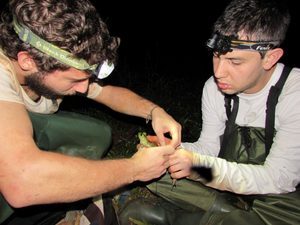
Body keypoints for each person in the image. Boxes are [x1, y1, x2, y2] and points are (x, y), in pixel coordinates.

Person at [118, 0, 300, 224]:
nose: (219, 72)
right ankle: (230, 211)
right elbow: (210, 148)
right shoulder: (214, 88)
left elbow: (280, 178)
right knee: (153, 169)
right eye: (216, 56)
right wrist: (172, 150)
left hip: (282, 200)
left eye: (235, 61)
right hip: (229, 189)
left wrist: (199, 167)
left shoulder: (294, 92)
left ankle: (190, 218)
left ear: (270, 58)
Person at [0, 0, 181, 224]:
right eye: (75, 80)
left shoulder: (50, 64)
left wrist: (155, 112)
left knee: (95, 133)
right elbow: (21, 182)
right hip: (14, 178)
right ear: (27, 61)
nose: (84, 89)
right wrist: (134, 169)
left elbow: (109, 93)